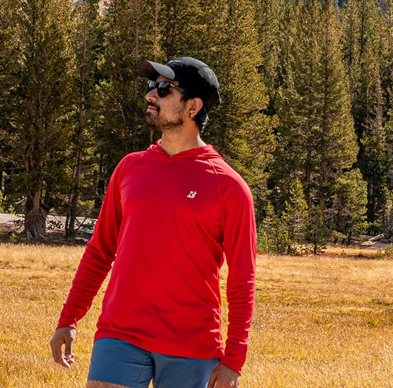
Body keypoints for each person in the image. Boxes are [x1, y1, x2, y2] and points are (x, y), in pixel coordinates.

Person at [50, 56, 256, 388]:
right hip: (120, 334)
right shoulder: (130, 168)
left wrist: (233, 359)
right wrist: (69, 317)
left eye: (164, 89)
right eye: (151, 86)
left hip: (192, 346)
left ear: (193, 107)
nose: (151, 95)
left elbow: (243, 279)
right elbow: (100, 250)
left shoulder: (228, 186)